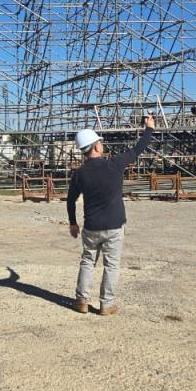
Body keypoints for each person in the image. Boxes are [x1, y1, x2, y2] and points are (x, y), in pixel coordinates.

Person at [66, 114, 155, 316]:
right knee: (111, 266)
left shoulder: (79, 174)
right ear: (96, 147)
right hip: (114, 226)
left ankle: (81, 300)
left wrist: (73, 223)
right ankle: (106, 305)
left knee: (87, 261)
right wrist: (149, 129)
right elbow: (138, 149)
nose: (102, 145)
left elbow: (70, 200)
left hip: (91, 227)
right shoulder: (114, 165)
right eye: (100, 142)